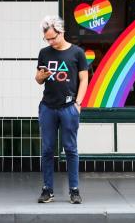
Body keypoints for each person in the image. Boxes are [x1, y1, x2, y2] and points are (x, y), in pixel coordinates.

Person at [35, 16, 89, 204]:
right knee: (47, 149)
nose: (50, 42)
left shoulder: (77, 53)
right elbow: (38, 79)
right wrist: (40, 77)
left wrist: (78, 103)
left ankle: (74, 190)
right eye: (47, 39)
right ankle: (47, 189)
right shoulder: (44, 53)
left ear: (61, 32)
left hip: (69, 107)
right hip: (48, 107)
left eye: (53, 38)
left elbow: (84, 79)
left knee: (71, 149)